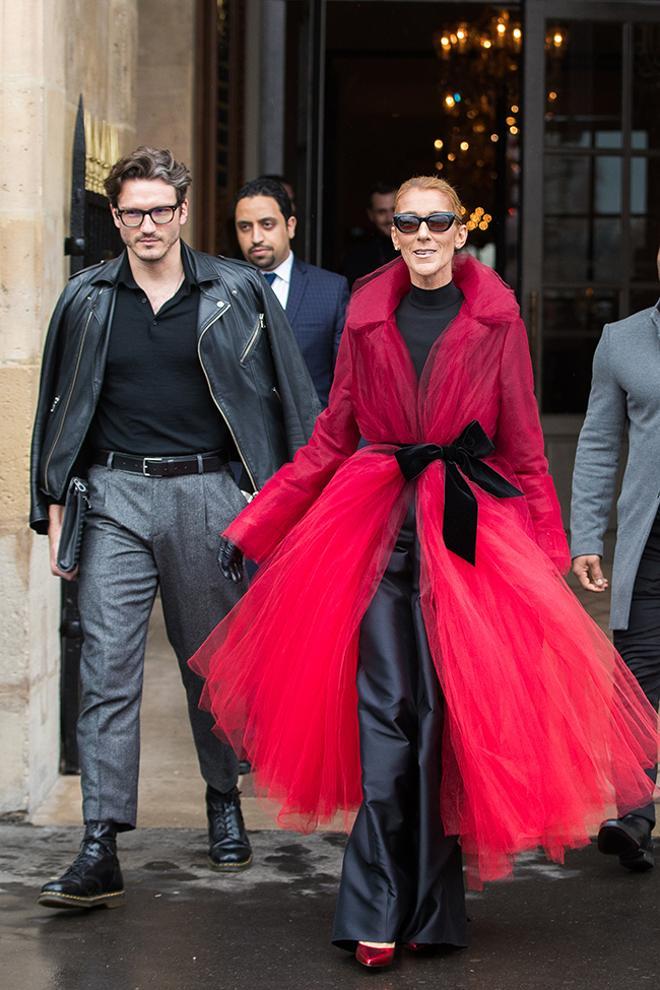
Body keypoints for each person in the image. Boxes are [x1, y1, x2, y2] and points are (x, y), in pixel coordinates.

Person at [189, 176, 658, 968]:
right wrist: (256, 522)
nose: (423, 233)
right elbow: (332, 437)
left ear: (460, 229)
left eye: (438, 220)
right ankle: (374, 904)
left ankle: (434, 909)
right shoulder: (366, 314)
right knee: (388, 720)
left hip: (471, 535)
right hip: (371, 529)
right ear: (395, 232)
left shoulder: (498, 317)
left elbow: (524, 450)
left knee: (442, 727)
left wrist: (546, 559)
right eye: (408, 221)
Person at [30, 147, 320, 910]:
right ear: (117, 218)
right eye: (132, 212)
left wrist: (288, 511)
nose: (147, 224)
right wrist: (54, 508)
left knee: (211, 667)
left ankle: (222, 798)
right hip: (115, 495)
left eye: (161, 209)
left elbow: (291, 402)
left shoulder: (236, 290)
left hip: (208, 493)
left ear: (184, 211)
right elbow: (56, 410)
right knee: (106, 668)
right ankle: (100, 840)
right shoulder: (86, 297)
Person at [571, 248, 660, 873]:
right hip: (649, 540)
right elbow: (599, 442)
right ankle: (634, 814)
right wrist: (586, 536)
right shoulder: (623, 340)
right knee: (637, 676)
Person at [234, 177, 349, 406]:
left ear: (291, 226)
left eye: (267, 224)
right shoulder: (222, 291)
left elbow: (346, 384)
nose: (256, 238)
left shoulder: (330, 290)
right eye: (245, 227)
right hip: (243, 438)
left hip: (311, 436)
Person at [343, 181, 398, 287]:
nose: (390, 218)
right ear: (371, 215)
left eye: (394, 210)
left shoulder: (417, 246)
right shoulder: (357, 256)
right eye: (382, 212)